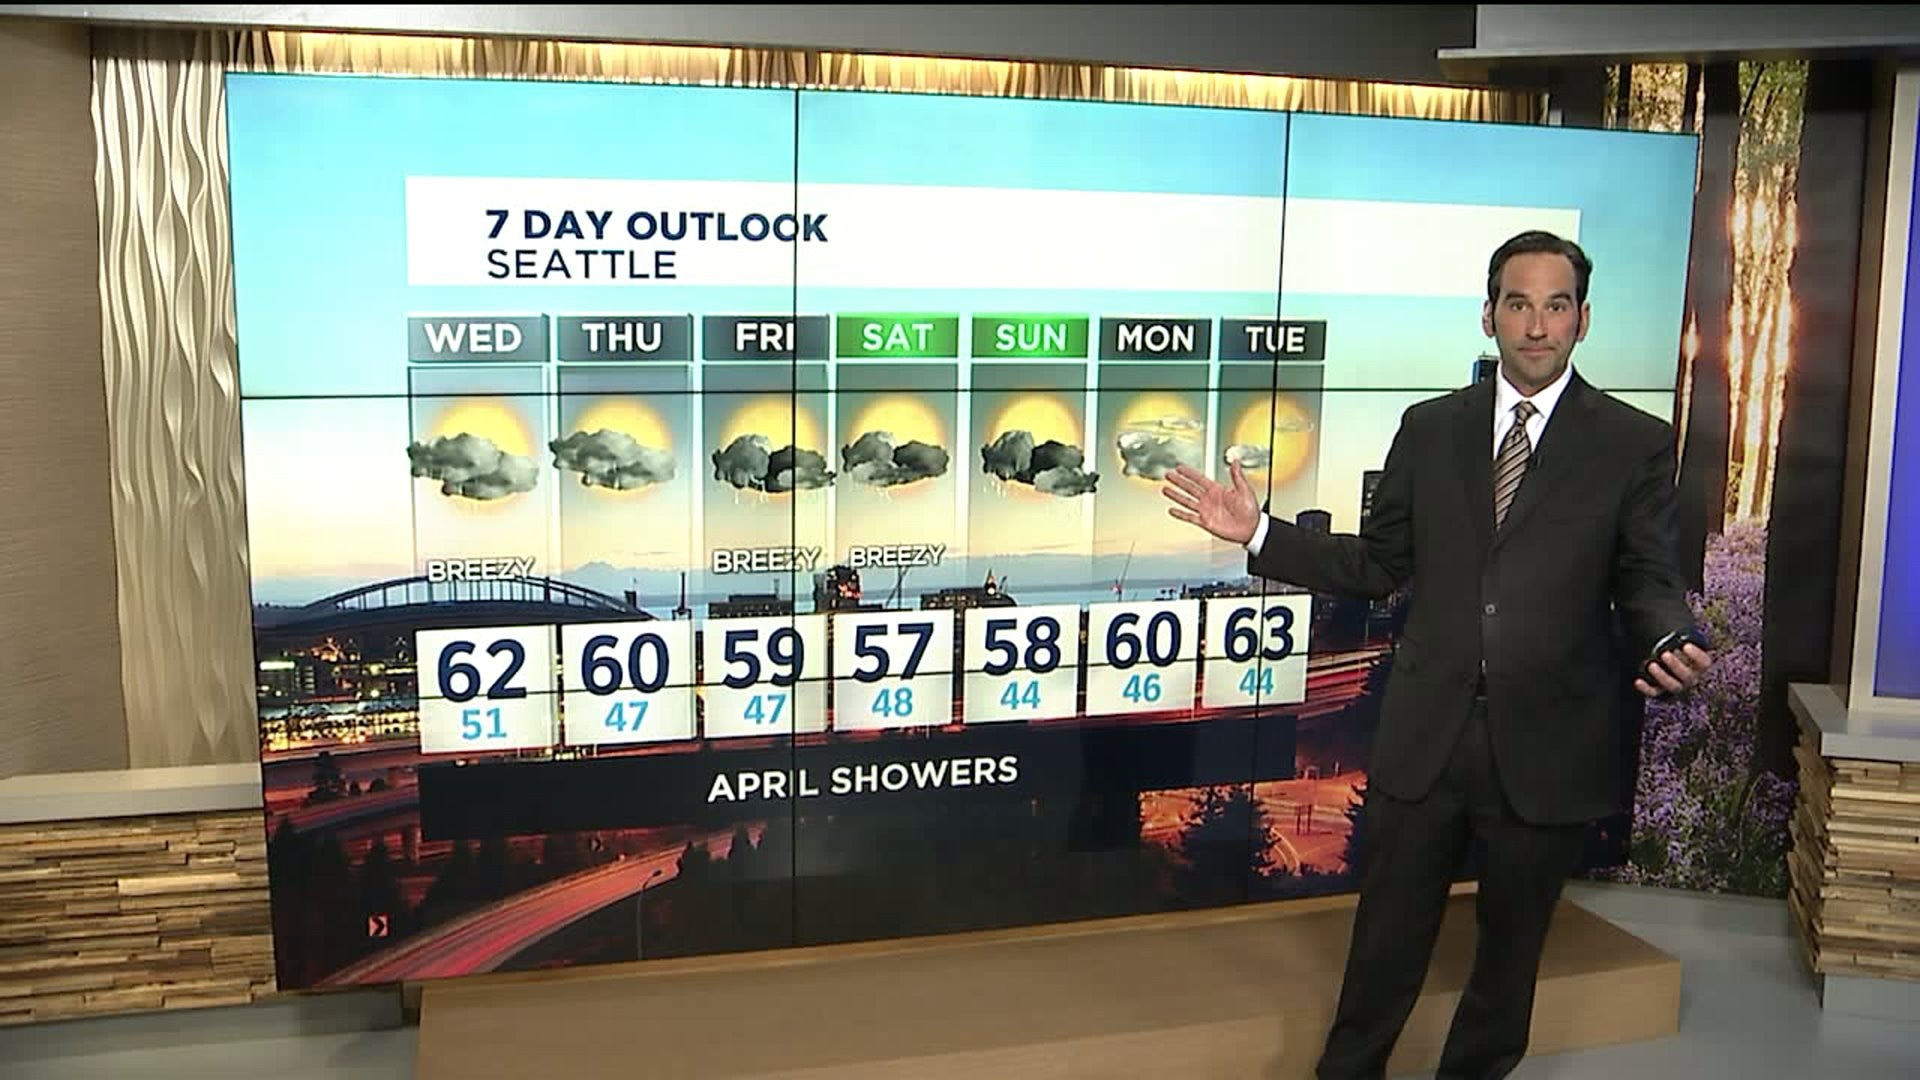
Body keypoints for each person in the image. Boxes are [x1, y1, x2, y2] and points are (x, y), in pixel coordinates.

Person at [1161, 230, 1713, 1080]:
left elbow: (1648, 578)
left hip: (1548, 742)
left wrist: (1668, 635)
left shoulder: (1631, 442)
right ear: (1489, 315)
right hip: (1428, 735)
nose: (1537, 326)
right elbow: (1378, 565)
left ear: (1583, 318)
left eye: (1556, 306)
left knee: (1508, 964)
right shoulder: (1429, 429)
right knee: (1382, 951)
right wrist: (1261, 533)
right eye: (1519, 305)